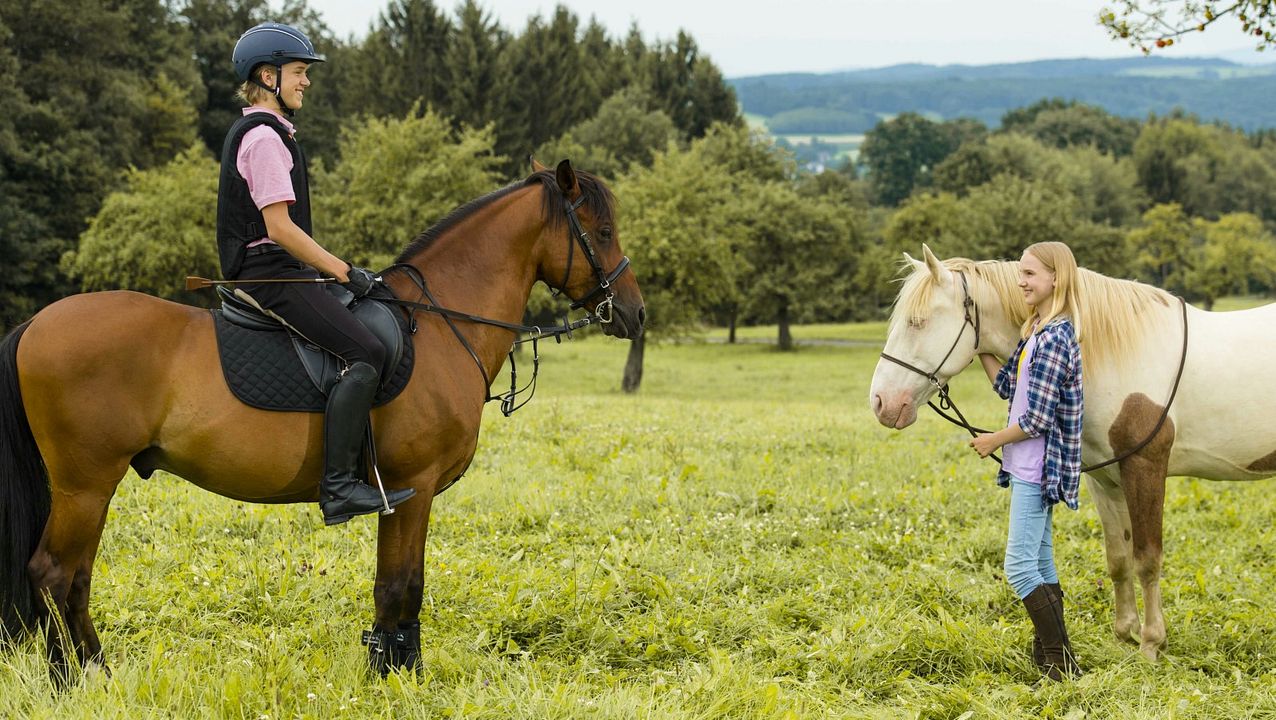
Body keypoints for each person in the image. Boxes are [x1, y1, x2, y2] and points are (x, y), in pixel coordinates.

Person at [217, 22, 414, 525]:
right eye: (300, 72)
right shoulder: (263, 138)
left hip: (280, 270)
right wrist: (346, 272)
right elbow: (279, 228)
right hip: (271, 274)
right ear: (268, 75)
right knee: (365, 351)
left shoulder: (272, 134)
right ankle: (340, 486)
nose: (306, 82)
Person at [970, 241, 1084, 682]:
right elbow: (1008, 386)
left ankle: (1058, 665)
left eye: (1031, 274)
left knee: (1018, 568)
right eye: (1021, 273)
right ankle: (1057, 658)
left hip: (1038, 467)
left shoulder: (1055, 337)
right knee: (1041, 562)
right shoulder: (1034, 330)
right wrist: (979, 345)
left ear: (1057, 277)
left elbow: (1035, 419)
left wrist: (991, 440)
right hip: (1026, 465)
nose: (1022, 281)